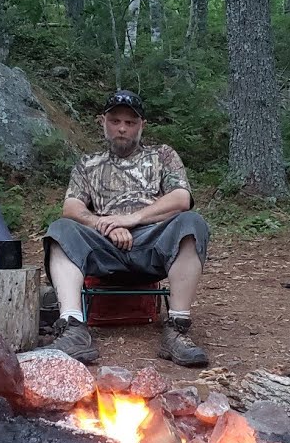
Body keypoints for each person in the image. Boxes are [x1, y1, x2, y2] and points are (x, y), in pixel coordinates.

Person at [43, 90, 211, 367]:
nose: (122, 128)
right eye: (115, 120)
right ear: (103, 122)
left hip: (153, 243)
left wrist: (132, 219)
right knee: (60, 229)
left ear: (141, 125)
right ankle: (73, 327)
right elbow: (71, 208)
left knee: (192, 223)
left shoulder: (162, 156)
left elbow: (181, 199)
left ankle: (177, 329)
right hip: (104, 247)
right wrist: (104, 224)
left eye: (130, 122)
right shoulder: (88, 164)